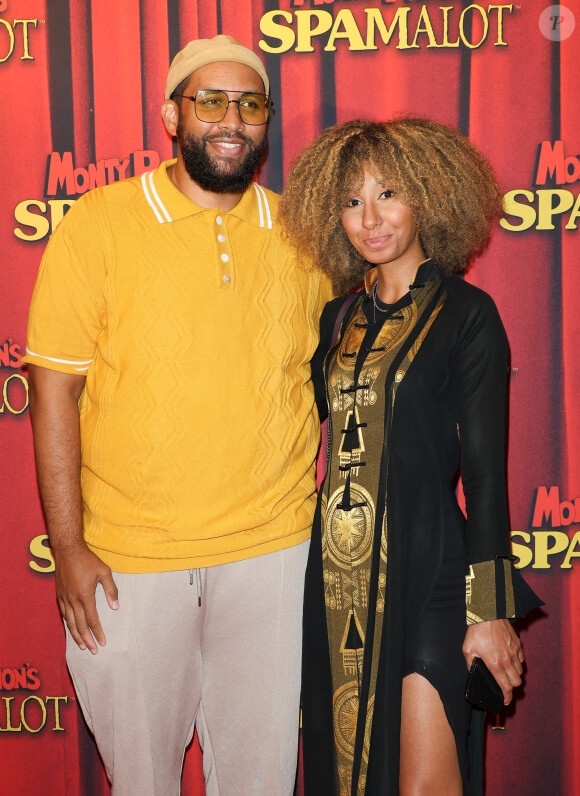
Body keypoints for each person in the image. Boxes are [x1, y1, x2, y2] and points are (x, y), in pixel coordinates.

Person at [24, 34, 331, 796]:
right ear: (171, 114)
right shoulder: (98, 224)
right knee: (141, 781)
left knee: (260, 780)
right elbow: (53, 388)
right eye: (210, 101)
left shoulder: (307, 237)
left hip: (273, 553)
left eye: (250, 104)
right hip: (129, 563)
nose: (232, 119)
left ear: (267, 121)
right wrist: (68, 547)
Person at [279, 118, 542, 795]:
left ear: (426, 194)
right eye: (351, 201)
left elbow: (484, 477)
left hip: (433, 579)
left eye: (388, 193)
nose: (369, 218)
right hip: (337, 587)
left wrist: (489, 613)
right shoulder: (334, 321)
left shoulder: (468, 314)